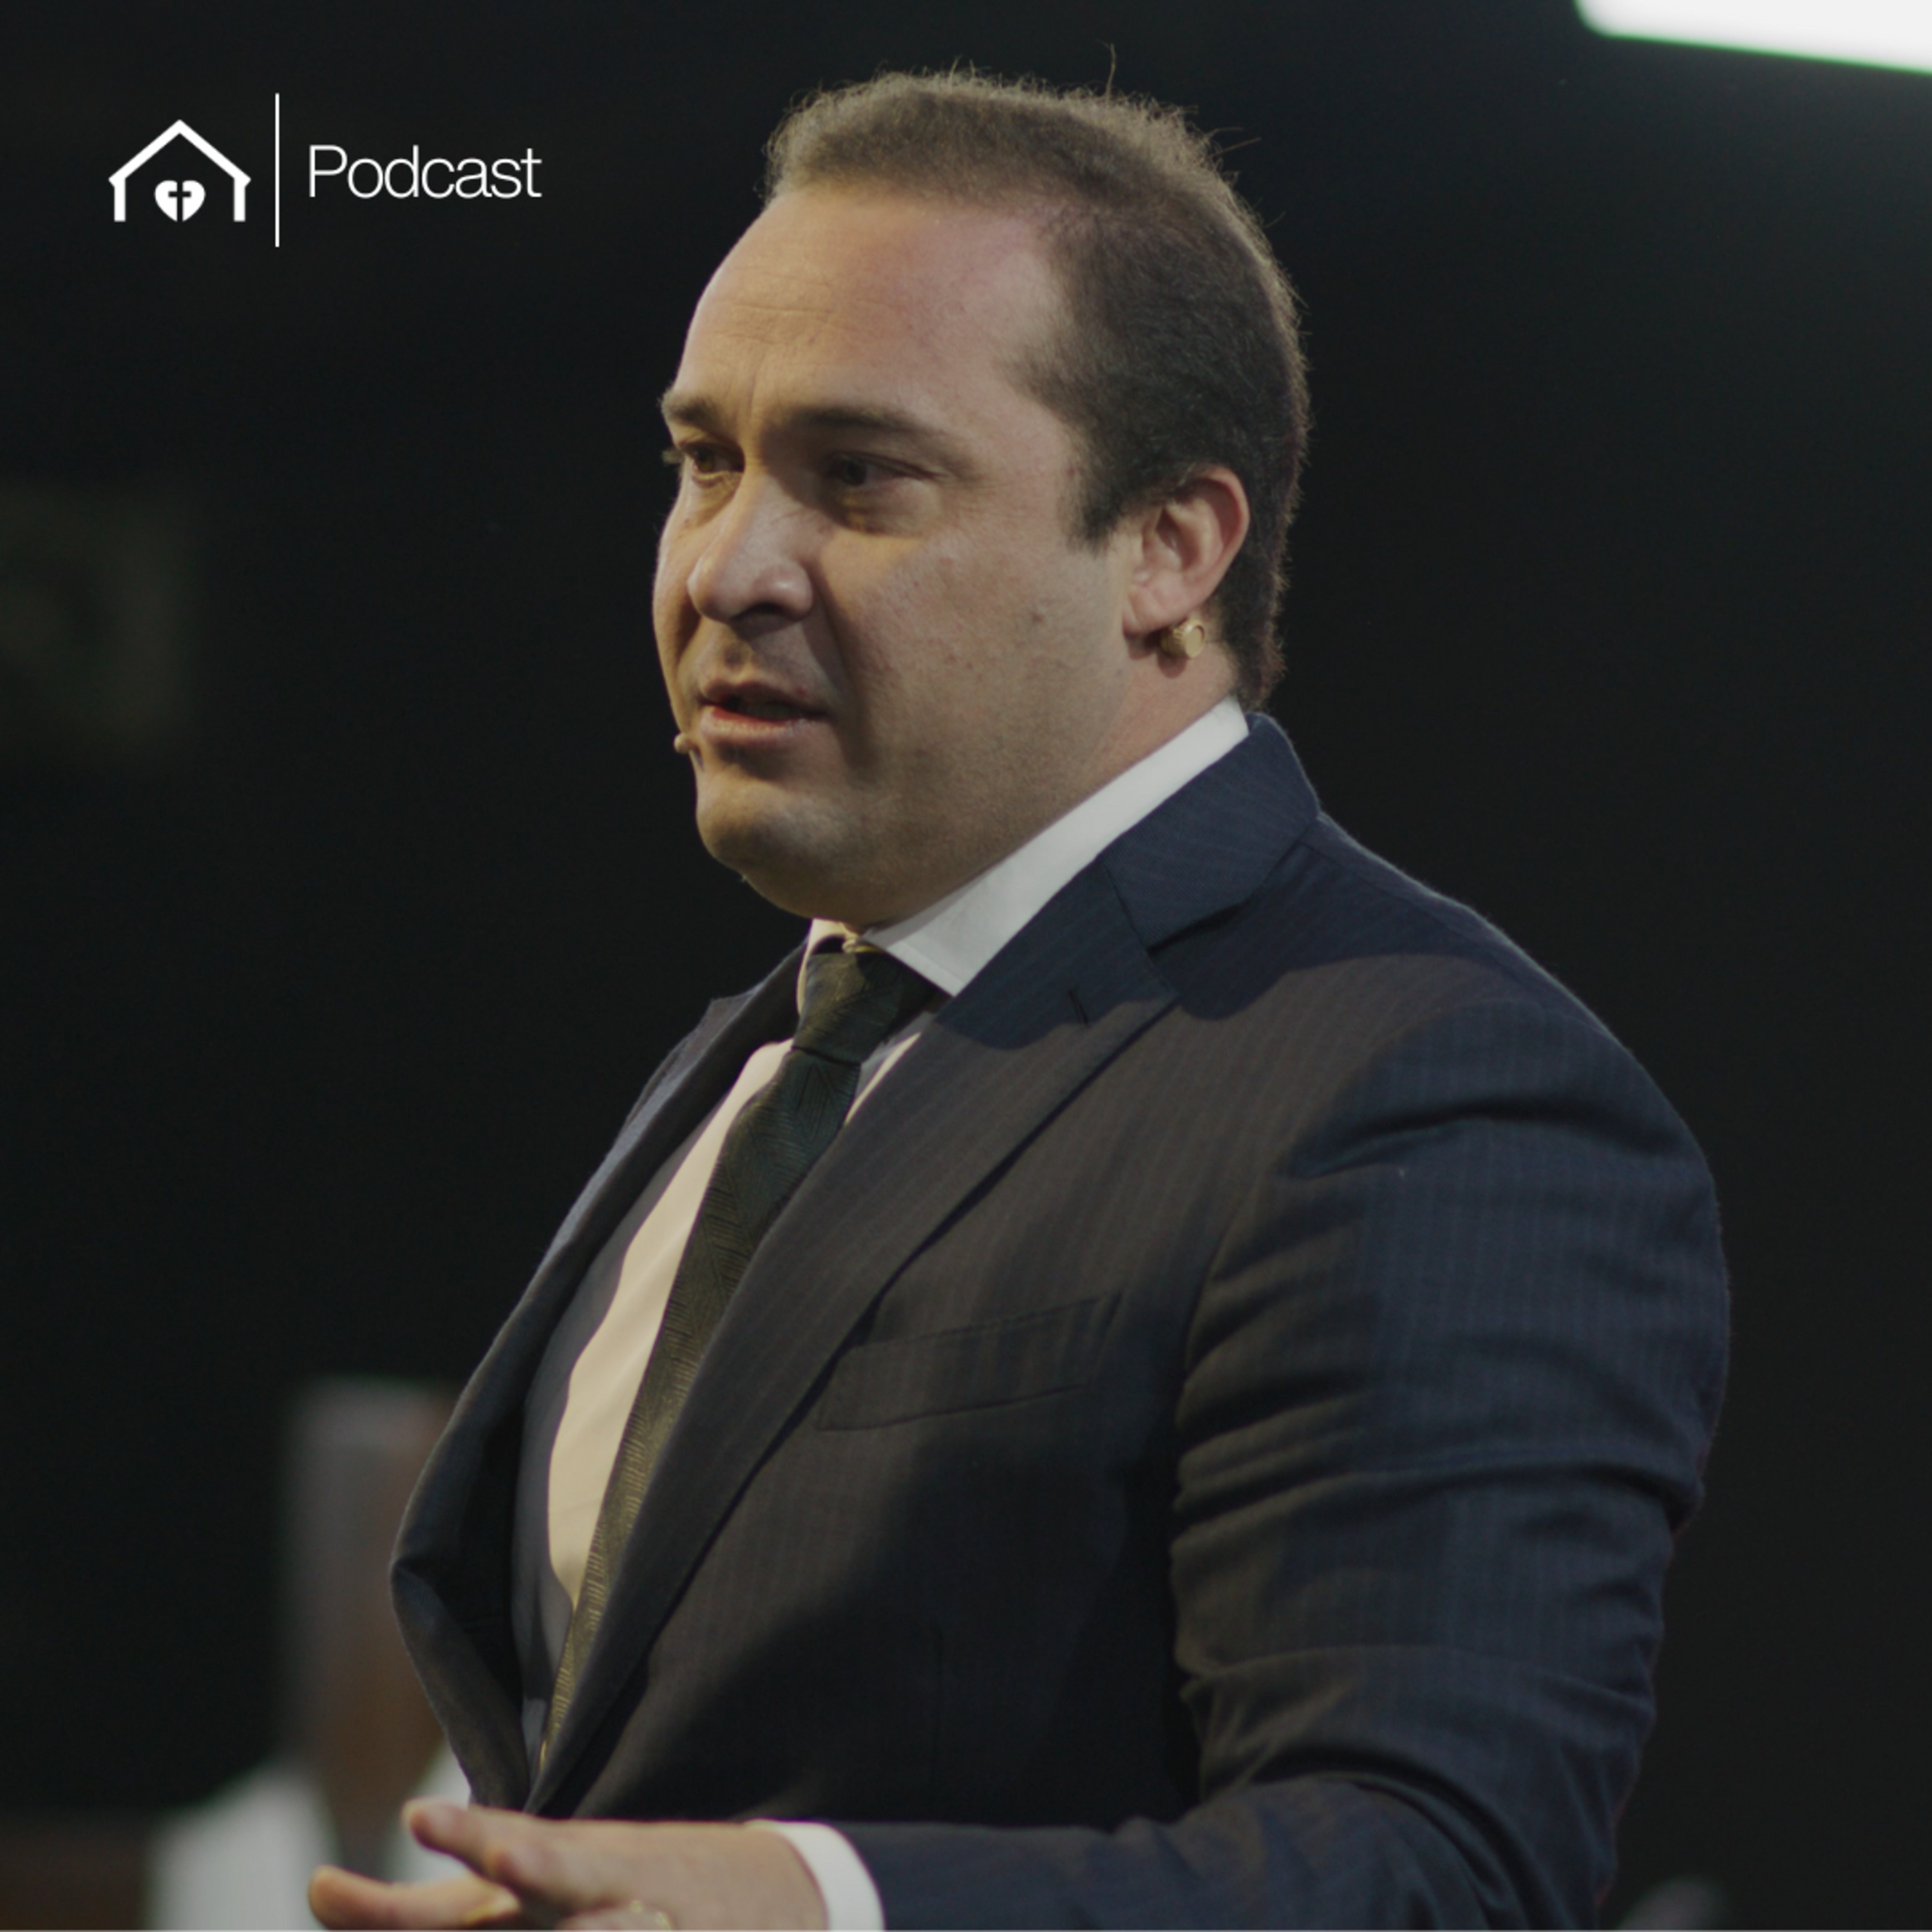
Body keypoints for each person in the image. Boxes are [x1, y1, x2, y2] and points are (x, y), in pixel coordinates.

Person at [312, 71, 1727, 1931]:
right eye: (703, 462)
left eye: (860, 478)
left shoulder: (1429, 1091)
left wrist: (809, 1908)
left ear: (1170, 549)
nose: (727, 567)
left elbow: (1436, 1874)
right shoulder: (772, 1057)